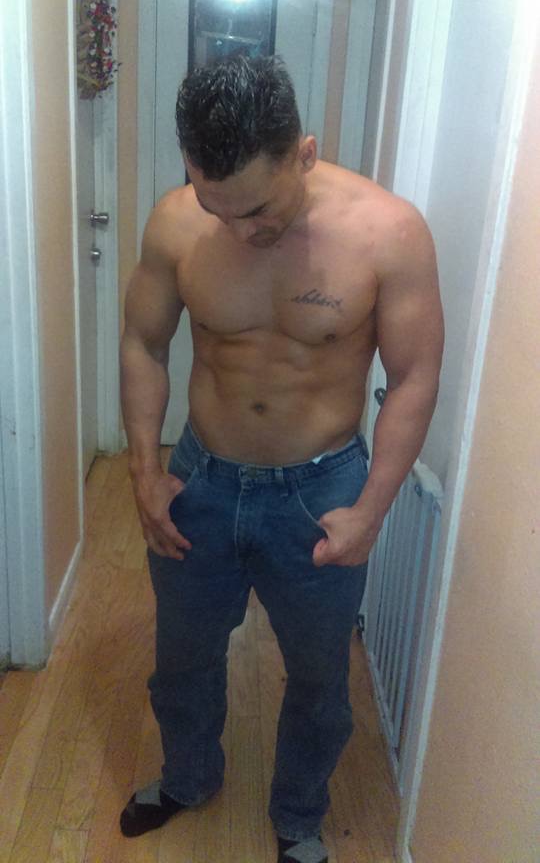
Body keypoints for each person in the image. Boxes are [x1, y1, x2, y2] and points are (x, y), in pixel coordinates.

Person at [118, 54, 444, 862]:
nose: (239, 232)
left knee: (320, 675)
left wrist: (371, 510)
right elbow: (143, 344)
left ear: (304, 153)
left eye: (258, 208)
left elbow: (413, 377)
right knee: (182, 658)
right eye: (215, 205)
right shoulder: (175, 223)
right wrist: (144, 472)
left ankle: (298, 816)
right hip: (203, 480)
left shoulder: (389, 232)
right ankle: (188, 777)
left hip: (320, 488)